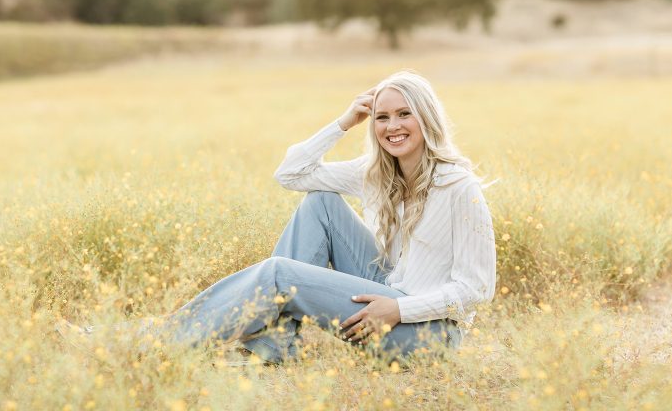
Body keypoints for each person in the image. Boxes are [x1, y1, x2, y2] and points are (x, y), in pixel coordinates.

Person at [57, 70, 496, 366]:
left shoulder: (459, 187)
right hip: (388, 295)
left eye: (404, 114)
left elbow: (477, 289)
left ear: (427, 118)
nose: (391, 126)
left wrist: (399, 309)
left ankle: (133, 345)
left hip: (428, 335)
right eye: (382, 117)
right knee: (319, 203)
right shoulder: (376, 176)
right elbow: (291, 174)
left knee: (278, 275)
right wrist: (344, 121)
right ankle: (275, 344)